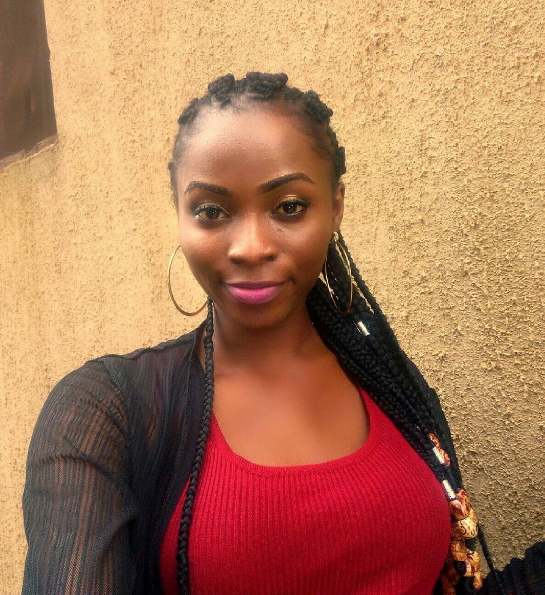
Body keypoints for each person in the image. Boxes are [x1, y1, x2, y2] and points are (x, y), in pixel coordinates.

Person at [22, 72, 544, 595]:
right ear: (180, 214)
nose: (251, 247)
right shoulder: (107, 410)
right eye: (211, 211)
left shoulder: (388, 382)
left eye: (289, 207)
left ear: (335, 207)